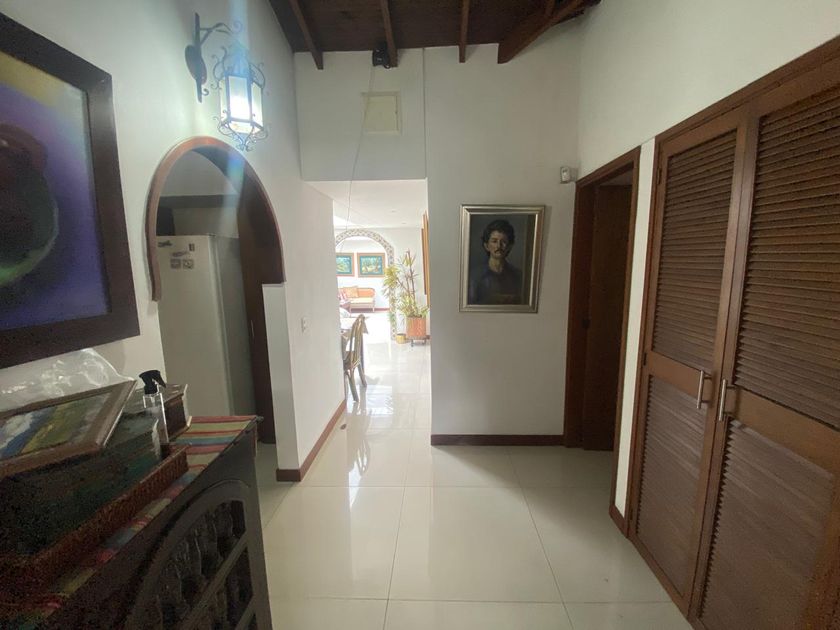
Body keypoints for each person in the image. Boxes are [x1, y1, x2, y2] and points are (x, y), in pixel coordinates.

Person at [468, 219, 523, 305]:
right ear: (486, 246)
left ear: (509, 246)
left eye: (503, 242)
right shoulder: (474, 276)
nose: (498, 246)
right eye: (494, 241)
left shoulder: (518, 276)